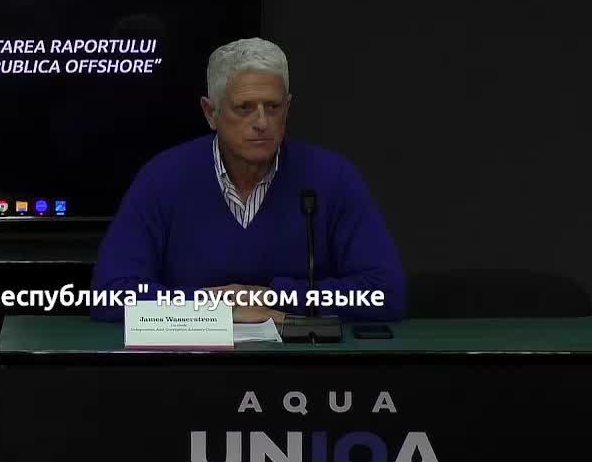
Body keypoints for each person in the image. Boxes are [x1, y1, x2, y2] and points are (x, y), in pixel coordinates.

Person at [89, 37, 407, 324]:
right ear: (210, 113)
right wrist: (215, 307)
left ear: (288, 108)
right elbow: (110, 295)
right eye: (244, 108)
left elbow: (385, 293)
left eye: (273, 107)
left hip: (300, 363)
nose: (262, 122)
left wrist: (274, 297)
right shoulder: (162, 178)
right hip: (193, 362)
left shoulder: (332, 178)